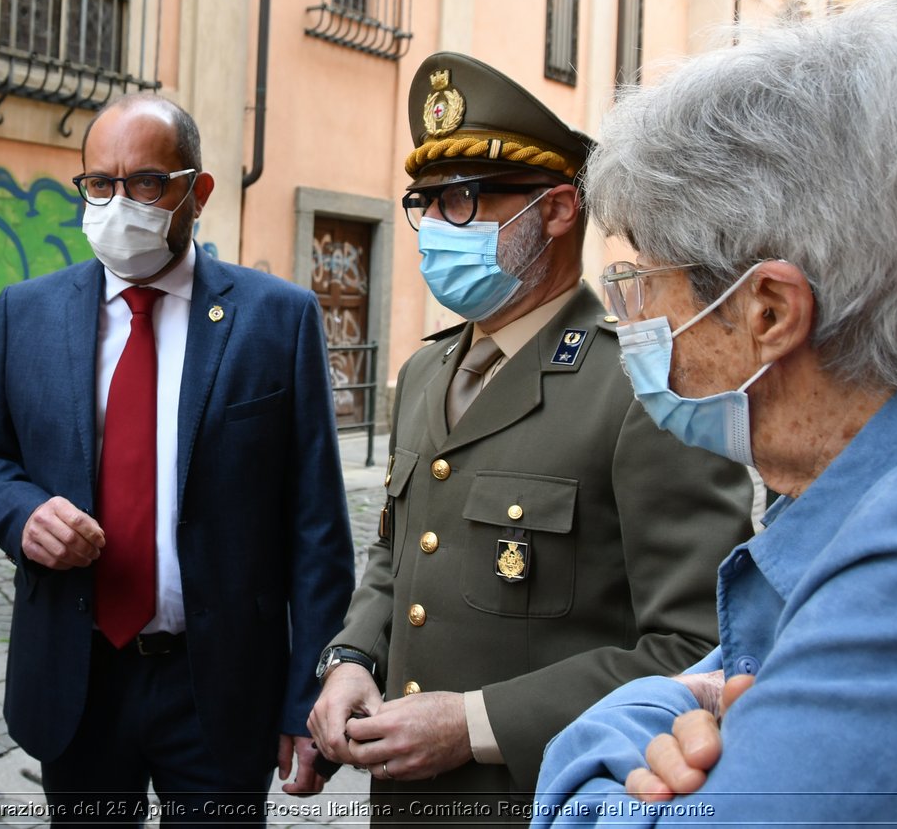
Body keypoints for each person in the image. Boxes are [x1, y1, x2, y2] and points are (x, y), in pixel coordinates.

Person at [531, 0, 897, 827]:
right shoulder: (873, 485)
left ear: (771, 311)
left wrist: (607, 731)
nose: (630, 319)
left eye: (645, 283)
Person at [306, 54, 755, 825]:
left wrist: (476, 725)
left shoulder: (643, 389)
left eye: (466, 200)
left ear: (554, 211)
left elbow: (695, 647)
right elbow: (399, 553)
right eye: (428, 200)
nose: (437, 227)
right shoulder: (424, 371)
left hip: (547, 799)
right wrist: (352, 656)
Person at [0, 92, 355, 824]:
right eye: (99, 184)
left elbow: (318, 524)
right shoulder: (26, 312)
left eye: (143, 183)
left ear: (195, 192)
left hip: (219, 685)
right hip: (76, 674)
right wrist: (23, 514)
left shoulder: (278, 318)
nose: (116, 203)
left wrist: (311, 689)